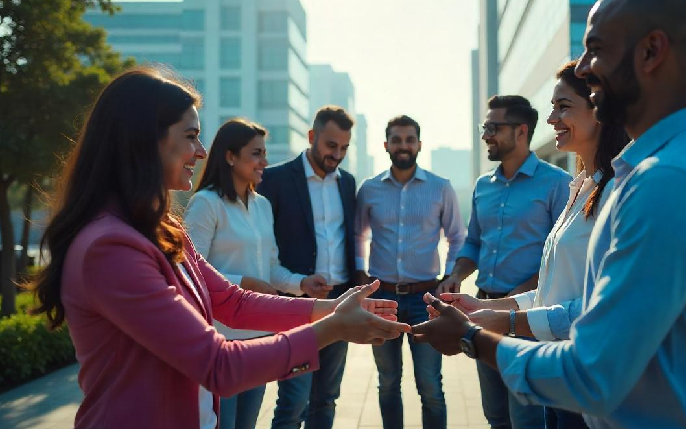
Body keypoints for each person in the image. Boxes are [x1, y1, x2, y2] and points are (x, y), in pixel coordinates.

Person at [412, 1, 686, 428]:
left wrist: (473, 338)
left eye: (595, 49)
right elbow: (571, 295)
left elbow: (593, 371)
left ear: (651, 52)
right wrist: (491, 315)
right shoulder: (643, 173)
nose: (583, 67)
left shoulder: (670, 181)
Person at [27, 66, 410, 429]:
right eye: (190, 136)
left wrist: (330, 309)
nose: (201, 151)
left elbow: (232, 301)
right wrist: (332, 328)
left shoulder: (163, 228)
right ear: (145, 140)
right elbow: (218, 366)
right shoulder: (109, 248)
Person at [439, 61, 628, 429]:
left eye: (563, 107)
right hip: (551, 356)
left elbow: (599, 308)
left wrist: (507, 320)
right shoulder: (580, 188)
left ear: (599, 107)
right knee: (498, 417)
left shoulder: (614, 191)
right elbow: (554, 287)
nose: (552, 118)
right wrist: (482, 304)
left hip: (578, 370)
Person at [184, 118, 330, 429]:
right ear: (230, 156)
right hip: (219, 342)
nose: (264, 162)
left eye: (264, 153)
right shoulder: (205, 204)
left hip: (258, 340)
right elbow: (190, 273)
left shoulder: (262, 205)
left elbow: (271, 267)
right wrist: (244, 284)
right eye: (256, 154)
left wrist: (301, 283)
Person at [437, 95, 571, 429]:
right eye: (486, 127)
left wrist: (515, 298)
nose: (486, 135)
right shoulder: (483, 186)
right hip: (482, 309)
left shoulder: (556, 184)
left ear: (521, 131)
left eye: (493, 127)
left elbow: (558, 257)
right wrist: (456, 274)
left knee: (526, 416)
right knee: (494, 413)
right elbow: (473, 243)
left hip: (527, 317)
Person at [354, 115, 465, 429]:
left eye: (409, 139)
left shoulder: (440, 188)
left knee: (430, 384)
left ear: (419, 144)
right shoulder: (369, 189)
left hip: (425, 300)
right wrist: (361, 274)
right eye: (397, 140)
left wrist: (448, 277)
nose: (403, 146)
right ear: (386, 144)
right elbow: (357, 236)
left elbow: (457, 236)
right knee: (388, 382)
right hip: (383, 300)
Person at [257, 105, 358, 429]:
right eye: (331, 145)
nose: (337, 154)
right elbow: (263, 244)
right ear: (312, 136)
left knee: (326, 398)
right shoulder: (274, 180)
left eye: (344, 147)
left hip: (339, 302)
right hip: (296, 304)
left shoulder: (347, 183)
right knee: (293, 401)